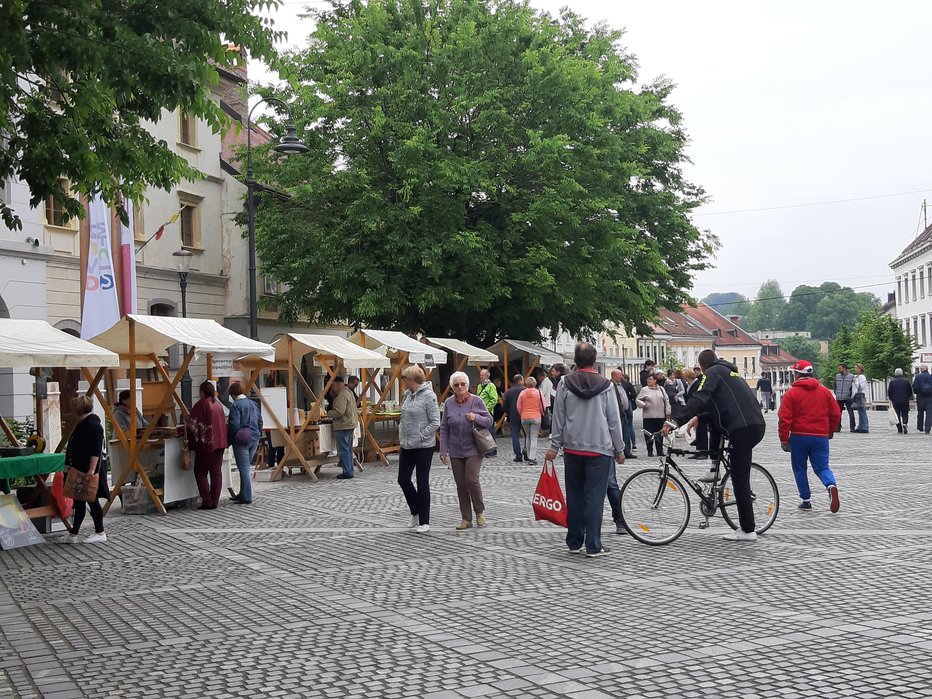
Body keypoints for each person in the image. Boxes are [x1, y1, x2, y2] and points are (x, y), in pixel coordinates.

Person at [663, 349, 766, 542]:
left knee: (740, 480)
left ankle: (748, 530)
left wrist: (675, 420)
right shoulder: (729, 372)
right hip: (752, 424)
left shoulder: (712, 373)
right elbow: (720, 406)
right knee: (736, 470)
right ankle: (715, 469)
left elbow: (700, 398)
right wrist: (698, 419)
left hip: (742, 429)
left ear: (701, 366)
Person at [545, 342, 625, 557]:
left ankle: (574, 541)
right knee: (594, 498)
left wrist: (554, 445)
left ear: (575, 360)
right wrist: (620, 448)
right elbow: (613, 420)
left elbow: (558, 417)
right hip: (600, 449)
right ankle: (594, 545)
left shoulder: (564, 383)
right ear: (594, 359)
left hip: (572, 448)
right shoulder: (606, 385)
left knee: (575, 496)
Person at [778, 360, 841, 513]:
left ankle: (806, 499)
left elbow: (784, 419)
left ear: (798, 374)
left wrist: (784, 439)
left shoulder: (791, 393)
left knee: (800, 468)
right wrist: (831, 430)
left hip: (799, 436)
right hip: (820, 436)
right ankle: (830, 485)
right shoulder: (824, 391)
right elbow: (835, 413)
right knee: (822, 467)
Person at [440, 371, 492, 530]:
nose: (460, 386)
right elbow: (444, 428)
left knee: (471, 479)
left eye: (462, 384)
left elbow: (489, 420)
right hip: (456, 449)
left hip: (474, 448)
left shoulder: (476, 400)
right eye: (456, 385)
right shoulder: (449, 403)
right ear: (452, 387)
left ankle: (479, 511)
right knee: (461, 484)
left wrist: (476, 417)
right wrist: (443, 450)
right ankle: (466, 518)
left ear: (467, 385)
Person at [398, 365, 441, 534]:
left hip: (423, 446)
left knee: (422, 481)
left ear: (411, 380)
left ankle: (424, 520)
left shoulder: (429, 396)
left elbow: (435, 421)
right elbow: (404, 416)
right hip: (407, 444)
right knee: (403, 479)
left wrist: (422, 434)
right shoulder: (407, 395)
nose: (402, 382)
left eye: (404, 379)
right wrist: (402, 431)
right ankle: (415, 511)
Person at [62, 396, 108, 544]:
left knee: (91, 501)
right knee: (80, 502)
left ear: (78, 410)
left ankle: (100, 532)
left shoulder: (92, 425)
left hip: (87, 471)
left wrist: (91, 470)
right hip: (80, 469)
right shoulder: (83, 423)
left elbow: (95, 450)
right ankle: (73, 534)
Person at [186, 381, 229, 510]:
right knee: (216, 472)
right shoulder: (218, 405)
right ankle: (214, 500)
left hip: (207, 443)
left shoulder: (201, 404)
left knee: (200, 472)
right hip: (220, 442)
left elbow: (193, 425)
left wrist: (186, 423)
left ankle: (207, 500)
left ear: (202, 392)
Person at [605, 368, 633, 534]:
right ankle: (619, 521)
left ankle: (619, 520)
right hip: (603, 446)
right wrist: (619, 449)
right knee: (610, 485)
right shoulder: (606, 389)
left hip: (583, 446)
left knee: (607, 485)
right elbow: (613, 421)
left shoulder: (569, 385)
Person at [227, 381, 262, 503]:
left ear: (232, 394)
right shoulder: (253, 404)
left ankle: (246, 497)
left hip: (241, 439)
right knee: (246, 467)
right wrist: (258, 433)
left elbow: (234, 425)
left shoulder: (236, 405)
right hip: (254, 437)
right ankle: (242, 493)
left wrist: (229, 440)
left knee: (244, 468)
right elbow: (260, 421)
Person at [327, 376, 358, 479]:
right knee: (348, 449)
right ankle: (349, 469)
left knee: (344, 449)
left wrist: (328, 413)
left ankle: (347, 471)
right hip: (350, 424)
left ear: (338, 384)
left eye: (333, 385)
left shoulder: (342, 395)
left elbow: (339, 412)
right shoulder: (349, 392)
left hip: (342, 425)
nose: (333, 388)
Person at [636, 372, 671, 457]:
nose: (648, 381)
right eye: (648, 379)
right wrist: (643, 404)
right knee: (648, 434)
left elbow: (666, 401)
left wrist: (668, 412)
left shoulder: (661, 389)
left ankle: (660, 450)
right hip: (649, 416)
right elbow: (638, 400)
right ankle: (650, 450)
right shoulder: (644, 390)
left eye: (650, 379)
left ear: (655, 380)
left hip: (660, 415)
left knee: (660, 434)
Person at [517, 376, 544, 465]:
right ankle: (532, 457)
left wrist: (522, 414)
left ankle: (529, 456)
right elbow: (542, 405)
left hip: (525, 417)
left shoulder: (522, 393)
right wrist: (541, 413)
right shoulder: (539, 393)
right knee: (533, 437)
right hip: (536, 416)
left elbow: (518, 406)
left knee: (528, 437)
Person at [611, 369, 635, 459]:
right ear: (614, 376)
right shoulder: (611, 385)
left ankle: (627, 451)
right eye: (619, 375)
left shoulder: (621, 385)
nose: (621, 377)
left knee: (626, 432)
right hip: (617, 412)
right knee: (619, 433)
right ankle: (618, 451)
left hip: (624, 412)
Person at [502, 374, 525, 462]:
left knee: (515, 436)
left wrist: (509, 413)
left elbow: (504, 406)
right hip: (524, 415)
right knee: (528, 435)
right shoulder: (525, 390)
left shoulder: (508, 392)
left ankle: (518, 455)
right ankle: (527, 452)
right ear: (520, 381)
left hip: (513, 416)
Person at [475, 369, 499, 456]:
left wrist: (487, 409)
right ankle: (486, 449)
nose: (481, 377)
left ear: (487, 376)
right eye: (480, 375)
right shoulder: (479, 386)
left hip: (487, 412)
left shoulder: (491, 386)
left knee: (490, 431)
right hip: (480, 412)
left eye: (482, 375)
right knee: (482, 432)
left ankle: (492, 450)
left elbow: (494, 399)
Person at [887, 368, 913, 434]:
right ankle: (905, 423)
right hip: (905, 400)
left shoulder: (892, 382)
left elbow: (889, 391)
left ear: (895, 374)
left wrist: (891, 398)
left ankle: (899, 429)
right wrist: (909, 397)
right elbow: (910, 390)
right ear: (902, 373)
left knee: (897, 415)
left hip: (895, 401)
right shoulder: (906, 381)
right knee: (905, 413)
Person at [619, 371, 638, 456]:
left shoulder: (618, 385)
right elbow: (634, 394)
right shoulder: (628, 384)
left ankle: (627, 447)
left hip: (624, 408)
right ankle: (633, 444)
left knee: (626, 427)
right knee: (630, 426)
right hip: (628, 406)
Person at [833, 363, 856, 432]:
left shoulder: (851, 376)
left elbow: (853, 387)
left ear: (844, 368)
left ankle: (852, 427)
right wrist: (836, 393)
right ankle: (837, 427)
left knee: (851, 412)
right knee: (838, 413)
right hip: (839, 397)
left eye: (840, 368)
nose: (839, 369)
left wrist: (850, 395)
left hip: (848, 398)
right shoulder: (837, 376)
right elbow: (835, 386)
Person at [913, 364, 932, 434]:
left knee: (920, 412)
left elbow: (914, 387)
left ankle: (920, 427)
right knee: (929, 414)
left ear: (921, 369)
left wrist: (917, 393)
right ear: (927, 369)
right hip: (930, 398)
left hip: (920, 397)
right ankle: (927, 429)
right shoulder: (931, 376)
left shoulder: (918, 377)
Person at [850, 363, 869, 433]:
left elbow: (861, 386)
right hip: (856, 395)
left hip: (860, 395)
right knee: (859, 411)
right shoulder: (856, 377)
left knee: (862, 411)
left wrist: (855, 382)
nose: (855, 369)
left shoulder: (861, 377)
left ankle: (864, 426)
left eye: (856, 368)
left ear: (860, 369)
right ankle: (860, 426)